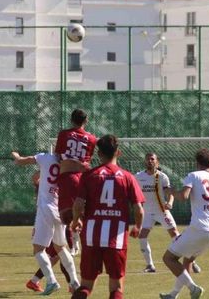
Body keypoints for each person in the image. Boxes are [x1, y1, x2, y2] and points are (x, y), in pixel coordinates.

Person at [70, 134, 145, 299]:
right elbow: (138, 208)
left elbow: (78, 204)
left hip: (91, 236)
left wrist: (75, 221)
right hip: (116, 238)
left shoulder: (88, 176)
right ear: (118, 152)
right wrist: (138, 226)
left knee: (86, 285)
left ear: (99, 154)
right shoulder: (127, 177)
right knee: (116, 287)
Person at [159, 148, 209, 299]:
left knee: (169, 258)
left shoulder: (193, 176)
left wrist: (170, 192)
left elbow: (184, 196)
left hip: (198, 228)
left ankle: (193, 288)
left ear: (197, 163)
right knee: (187, 260)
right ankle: (173, 295)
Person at [12, 151, 82, 295]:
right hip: (60, 209)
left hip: (45, 207)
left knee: (38, 249)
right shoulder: (70, 163)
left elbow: (23, 161)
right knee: (61, 248)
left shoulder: (46, 157)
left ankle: (51, 281)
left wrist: (17, 157)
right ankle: (74, 281)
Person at [135, 152, 200, 274]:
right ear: (145, 161)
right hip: (147, 212)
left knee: (175, 235)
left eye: (152, 159)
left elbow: (170, 192)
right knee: (142, 237)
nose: (150, 161)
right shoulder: (138, 176)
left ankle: (192, 261)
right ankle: (150, 265)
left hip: (161, 211)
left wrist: (170, 202)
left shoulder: (162, 177)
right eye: (148, 159)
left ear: (157, 162)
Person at [54, 109, 98, 251]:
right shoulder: (92, 138)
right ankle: (86, 243)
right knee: (82, 213)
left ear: (71, 120)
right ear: (86, 121)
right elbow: (88, 160)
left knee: (65, 216)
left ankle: (71, 246)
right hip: (84, 178)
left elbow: (58, 155)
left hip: (67, 177)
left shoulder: (64, 134)